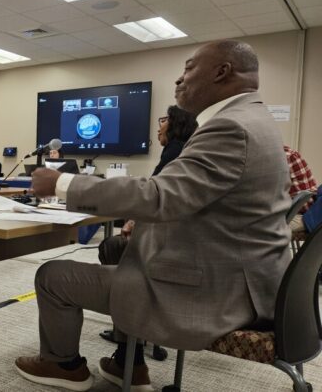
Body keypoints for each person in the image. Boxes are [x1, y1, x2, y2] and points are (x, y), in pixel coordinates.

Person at [18, 40, 291, 391]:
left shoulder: (232, 127)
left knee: (53, 275)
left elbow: (160, 195)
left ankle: (63, 365)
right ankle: (128, 364)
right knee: (120, 249)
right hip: (238, 272)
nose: (179, 80)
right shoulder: (254, 118)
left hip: (216, 292)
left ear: (222, 72)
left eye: (189, 68)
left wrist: (62, 184)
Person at [97, 105, 198, 342]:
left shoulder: (174, 152)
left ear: (176, 125)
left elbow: (154, 197)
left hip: (169, 249)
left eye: (164, 120)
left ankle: (129, 335)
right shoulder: (186, 151)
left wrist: (135, 219)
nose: (158, 126)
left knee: (111, 247)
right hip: (185, 244)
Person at [284, 145, 317, 233]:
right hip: (305, 211)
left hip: (300, 215)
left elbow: (304, 205)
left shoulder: (287, 155)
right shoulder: (289, 153)